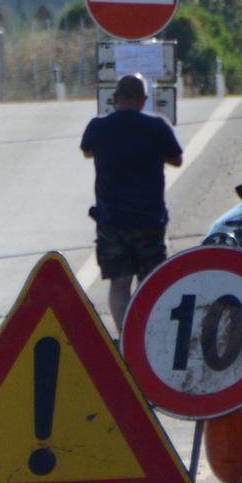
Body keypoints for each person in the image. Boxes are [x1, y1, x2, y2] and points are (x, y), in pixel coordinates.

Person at [80, 73, 183, 333]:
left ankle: (127, 338)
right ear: (144, 100)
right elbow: (177, 159)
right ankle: (146, 341)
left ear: (114, 98)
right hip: (149, 219)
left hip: (111, 221)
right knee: (151, 283)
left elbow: (87, 151)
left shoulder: (99, 126)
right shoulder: (157, 126)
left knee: (118, 283)